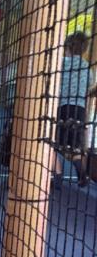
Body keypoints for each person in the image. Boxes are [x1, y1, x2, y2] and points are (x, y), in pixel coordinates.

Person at [55, 31, 96, 186]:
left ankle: (57, 175)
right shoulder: (87, 68)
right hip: (79, 110)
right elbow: (89, 86)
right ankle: (81, 173)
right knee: (75, 146)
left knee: (55, 143)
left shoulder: (62, 63)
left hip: (64, 108)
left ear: (68, 48)